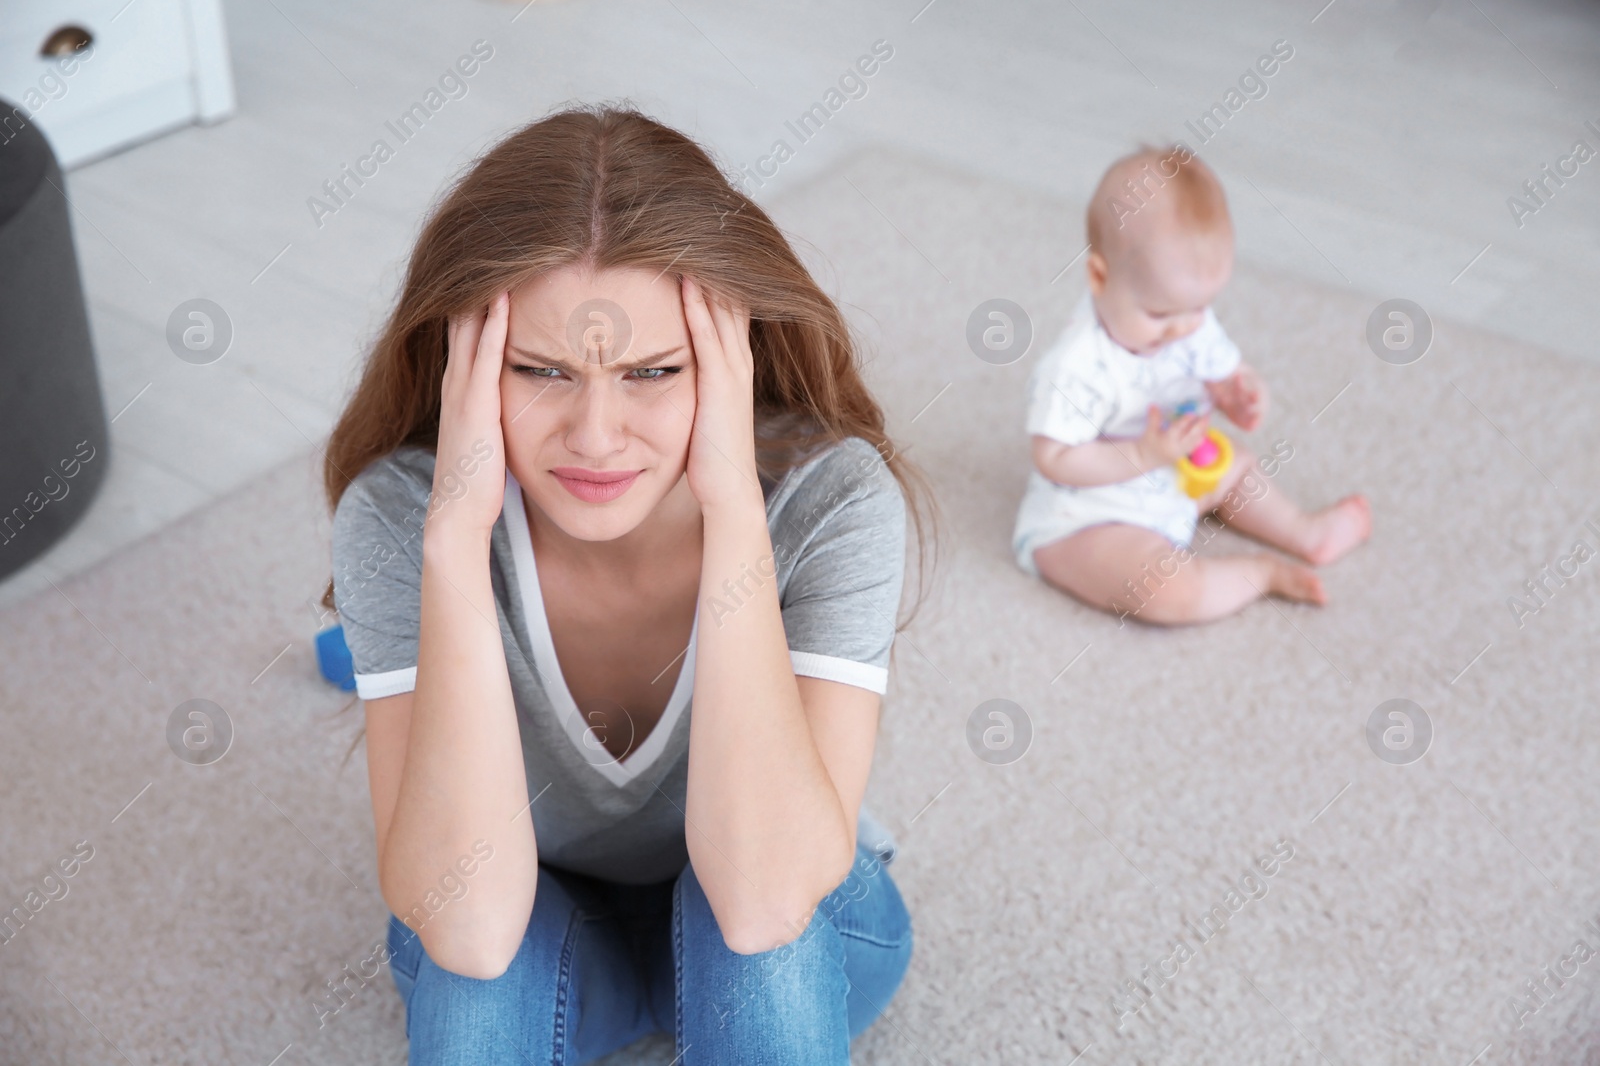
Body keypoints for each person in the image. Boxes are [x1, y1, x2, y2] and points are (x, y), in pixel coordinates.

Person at [319, 103, 939, 1064]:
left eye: (653, 370)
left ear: (730, 360)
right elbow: (475, 930)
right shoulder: (401, 516)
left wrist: (735, 512)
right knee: (474, 988)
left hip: (793, 925)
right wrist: (452, 550)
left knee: (756, 948)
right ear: (464, 368)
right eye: (540, 369)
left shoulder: (833, 498)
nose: (598, 436)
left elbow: (769, 900)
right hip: (540, 917)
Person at [1012, 144, 1371, 624]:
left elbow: (1224, 374)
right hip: (1087, 518)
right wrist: (1141, 456)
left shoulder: (1188, 321)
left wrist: (1240, 395)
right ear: (1099, 276)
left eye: (1199, 308)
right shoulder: (1078, 365)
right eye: (1161, 314)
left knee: (1239, 466)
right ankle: (1258, 575)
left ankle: (1304, 531)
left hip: (1175, 477)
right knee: (1159, 590)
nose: (1184, 328)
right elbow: (1054, 459)